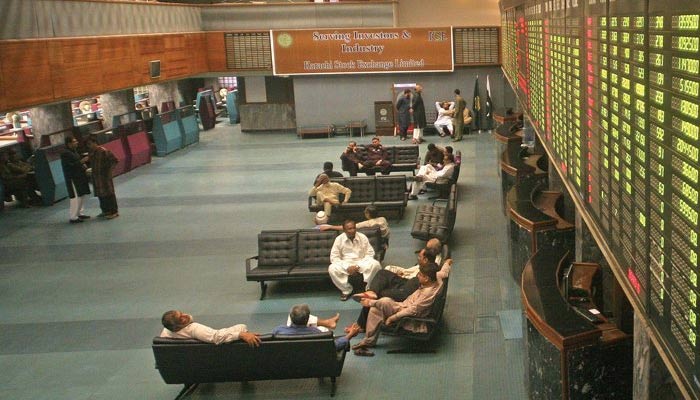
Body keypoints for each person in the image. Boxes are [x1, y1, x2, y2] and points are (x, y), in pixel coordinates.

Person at [351, 261, 442, 356]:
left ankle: (369, 302)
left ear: (427, 278)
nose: (417, 276)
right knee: (375, 309)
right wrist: (447, 263)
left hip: (408, 317)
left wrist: (392, 318)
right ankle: (369, 341)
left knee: (384, 301)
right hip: (403, 305)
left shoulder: (427, 294)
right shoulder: (436, 280)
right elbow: (442, 272)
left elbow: (412, 310)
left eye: (420, 275)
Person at [329, 219, 382, 301]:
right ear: (344, 230)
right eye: (350, 229)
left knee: (376, 264)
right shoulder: (339, 239)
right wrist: (347, 267)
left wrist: (358, 266)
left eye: (354, 228)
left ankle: (369, 289)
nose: (353, 230)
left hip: (361, 263)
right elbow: (334, 257)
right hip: (345, 264)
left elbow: (370, 253)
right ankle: (346, 290)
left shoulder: (362, 237)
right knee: (332, 268)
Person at [273, 304, 360, 350]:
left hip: (286, 363)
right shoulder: (316, 333)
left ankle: (328, 322)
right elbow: (334, 346)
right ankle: (328, 322)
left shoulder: (278, 331)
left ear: (291, 318)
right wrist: (350, 335)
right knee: (324, 330)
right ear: (308, 320)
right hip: (313, 362)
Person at [160, 310, 261, 347]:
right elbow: (216, 337)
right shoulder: (193, 329)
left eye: (181, 313)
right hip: (208, 358)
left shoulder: (165, 334)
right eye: (181, 318)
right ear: (177, 326)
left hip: (187, 363)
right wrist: (241, 334)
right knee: (241, 327)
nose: (185, 316)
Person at [85, 137, 119, 219]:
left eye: (90, 144)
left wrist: (109, 172)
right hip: (97, 178)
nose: (89, 146)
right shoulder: (91, 153)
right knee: (101, 194)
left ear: (95, 143)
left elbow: (114, 160)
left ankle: (114, 211)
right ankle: (105, 210)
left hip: (105, 177)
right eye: (88, 145)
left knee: (109, 193)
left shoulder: (104, 151)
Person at [60, 136, 91, 223]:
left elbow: (76, 163)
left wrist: (82, 165)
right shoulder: (65, 154)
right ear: (69, 143)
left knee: (81, 195)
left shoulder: (74, 152)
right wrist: (81, 162)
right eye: (74, 141)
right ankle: (73, 216)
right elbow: (70, 166)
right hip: (72, 178)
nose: (76, 142)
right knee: (75, 197)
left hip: (79, 176)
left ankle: (79, 213)